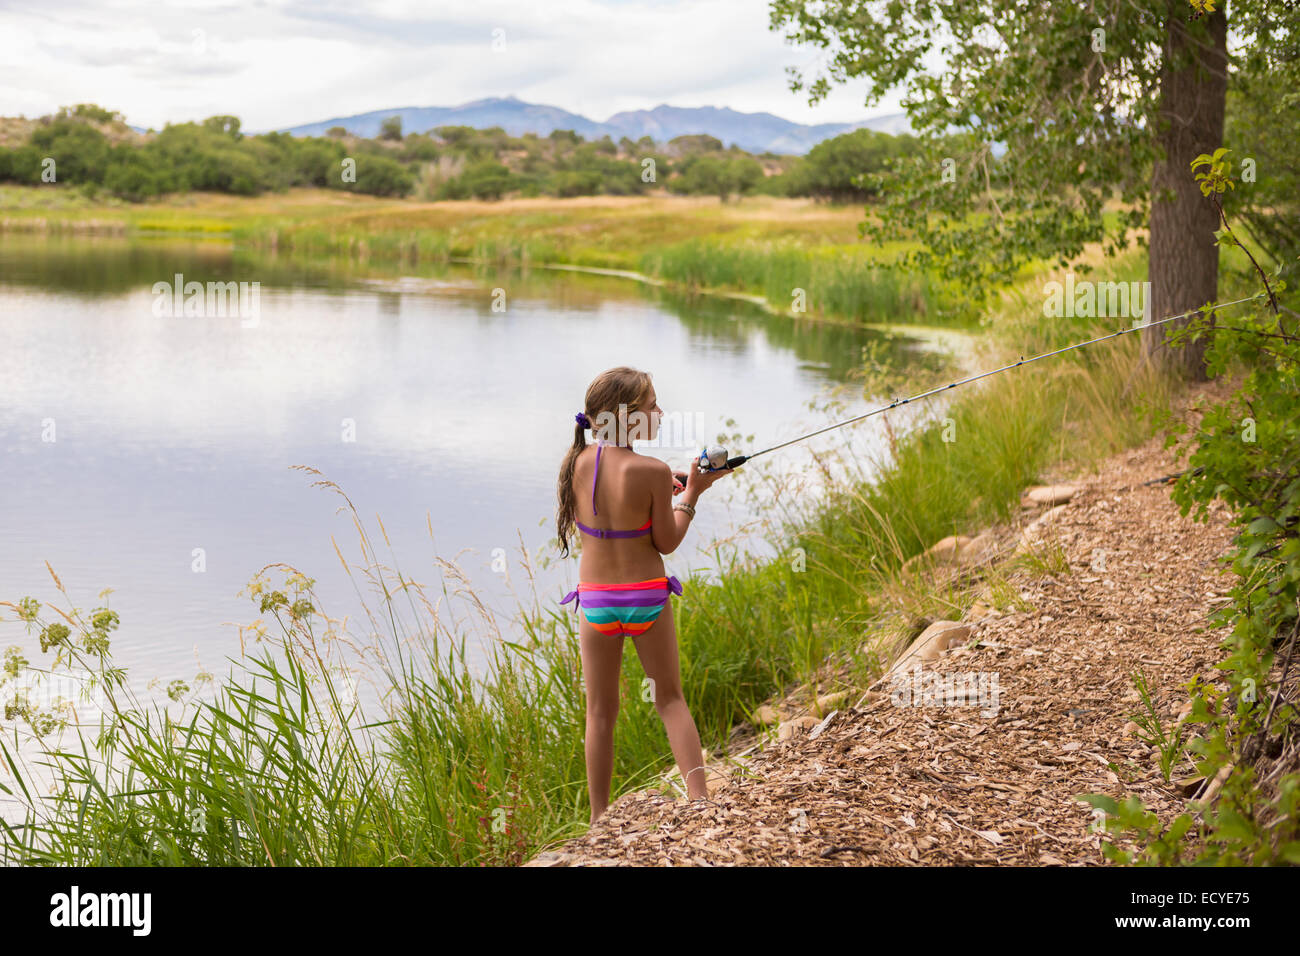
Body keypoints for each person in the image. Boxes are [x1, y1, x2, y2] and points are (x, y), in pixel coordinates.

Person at [556, 366, 736, 824]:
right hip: (647, 601)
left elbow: (614, 507)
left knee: (599, 712)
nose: (660, 411)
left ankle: (598, 820)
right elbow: (666, 541)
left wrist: (664, 490)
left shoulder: (575, 463)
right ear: (627, 418)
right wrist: (690, 493)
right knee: (670, 699)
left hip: (595, 603)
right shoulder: (652, 470)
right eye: (652, 405)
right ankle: (699, 801)